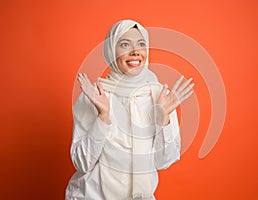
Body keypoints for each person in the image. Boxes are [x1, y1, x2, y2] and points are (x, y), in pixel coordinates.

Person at [65, 19, 194, 200]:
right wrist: (103, 117)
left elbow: (164, 161)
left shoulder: (159, 96)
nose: (135, 52)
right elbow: (82, 163)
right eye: (125, 44)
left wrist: (163, 118)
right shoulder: (94, 95)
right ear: (111, 50)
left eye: (141, 44)